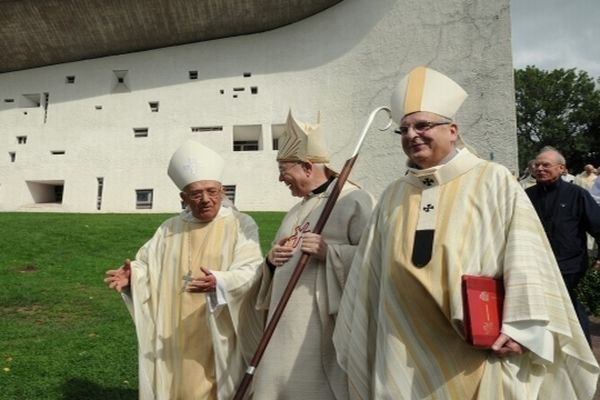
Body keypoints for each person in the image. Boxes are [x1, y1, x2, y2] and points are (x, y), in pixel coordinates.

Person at [333, 66, 599, 399]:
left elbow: (527, 255)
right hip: (400, 342)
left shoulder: (492, 179)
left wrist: (523, 327)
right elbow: (368, 271)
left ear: (453, 130)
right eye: (404, 129)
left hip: (473, 347)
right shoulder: (392, 194)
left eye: (423, 125)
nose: (412, 134)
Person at [104, 140, 264, 400]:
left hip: (219, 324)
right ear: (183, 197)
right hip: (173, 328)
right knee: (176, 385)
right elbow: (148, 263)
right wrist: (134, 276)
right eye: (195, 193)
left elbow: (252, 269)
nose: (205, 200)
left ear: (223, 191)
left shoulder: (240, 224)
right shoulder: (169, 228)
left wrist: (221, 282)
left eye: (212, 191)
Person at [252, 111, 374, 399]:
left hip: (319, 327)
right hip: (280, 325)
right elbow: (279, 256)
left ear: (307, 166)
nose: (281, 179)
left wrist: (330, 253)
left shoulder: (353, 200)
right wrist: (272, 260)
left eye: (285, 171)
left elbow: (375, 259)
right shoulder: (296, 210)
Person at [526, 146, 600, 343]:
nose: (540, 168)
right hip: (536, 266)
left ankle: (582, 357)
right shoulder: (526, 196)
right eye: (537, 164)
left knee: (570, 309)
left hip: (570, 266)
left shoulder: (577, 194)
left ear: (561, 168)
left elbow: (598, 225)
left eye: (546, 165)